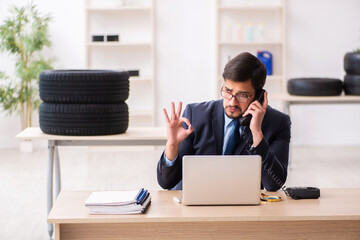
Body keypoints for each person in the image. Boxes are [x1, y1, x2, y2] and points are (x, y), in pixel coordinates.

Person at [157, 52, 291, 191]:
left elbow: (273, 184)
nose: (232, 102)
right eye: (228, 91)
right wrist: (172, 145)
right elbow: (166, 183)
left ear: (258, 96)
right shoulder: (195, 114)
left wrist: (257, 133)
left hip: (243, 204)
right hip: (196, 203)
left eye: (243, 95)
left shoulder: (278, 122)